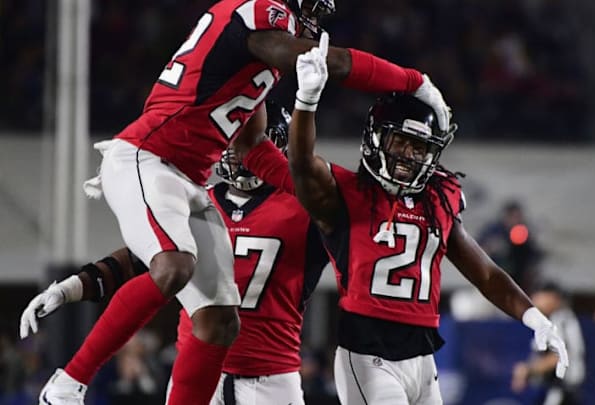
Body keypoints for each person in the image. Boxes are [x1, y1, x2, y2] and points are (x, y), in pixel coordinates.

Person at [30, 0, 451, 402]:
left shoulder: (262, 72)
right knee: (175, 265)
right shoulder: (260, 18)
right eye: (308, 11)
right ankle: (68, 383)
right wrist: (415, 81)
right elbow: (327, 61)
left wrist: (304, 181)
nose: (312, 24)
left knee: (217, 320)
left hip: (186, 182)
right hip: (149, 157)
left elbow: (252, 146)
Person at [237, 33, 569, 404]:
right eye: (400, 142)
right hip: (369, 356)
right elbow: (300, 164)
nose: (409, 155)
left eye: (419, 147)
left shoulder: (437, 200)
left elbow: (486, 274)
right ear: (376, 139)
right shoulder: (346, 194)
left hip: (423, 360)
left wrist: (533, 317)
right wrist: (307, 101)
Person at [21, 102, 329, 404]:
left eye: (251, 143)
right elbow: (137, 262)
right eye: (234, 142)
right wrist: (69, 288)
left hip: (271, 378)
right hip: (199, 371)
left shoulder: (306, 208)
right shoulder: (198, 200)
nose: (239, 153)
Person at [511, 281, 585, 405]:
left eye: (540, 295)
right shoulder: (549, 320)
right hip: (556, 389)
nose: (535, 299)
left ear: (553, 297)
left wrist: (528, 370)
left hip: (562, 388)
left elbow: (559, 356)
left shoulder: (560, 318)